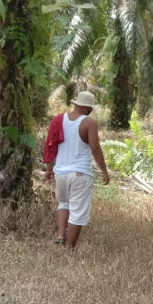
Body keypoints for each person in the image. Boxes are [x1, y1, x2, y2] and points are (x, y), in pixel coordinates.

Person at [43, 91, 110, 248]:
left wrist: (49, 168)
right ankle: (69, 250)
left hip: (60, 173)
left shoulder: (59, 119)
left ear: (76, 104)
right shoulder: (89, 123)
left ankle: (61, 235)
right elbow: (95, 149)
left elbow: (51, 145)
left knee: (63, 203)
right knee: (78, 212)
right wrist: (104, 171)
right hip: (80, 174)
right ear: (87, 108)